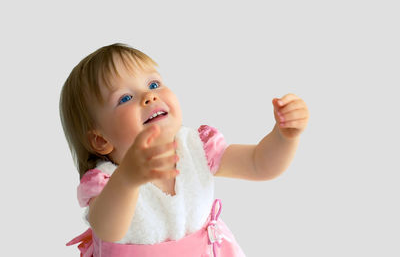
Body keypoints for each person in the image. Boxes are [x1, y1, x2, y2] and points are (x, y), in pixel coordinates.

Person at [60, 43, 309, 257]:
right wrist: (128, 179)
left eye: (154, 83)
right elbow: (107, 228)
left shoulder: (195, 148)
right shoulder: (108, 182)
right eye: (125, 98)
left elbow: (259, 164)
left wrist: (284, 137)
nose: (149, 96)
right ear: (101, 140)